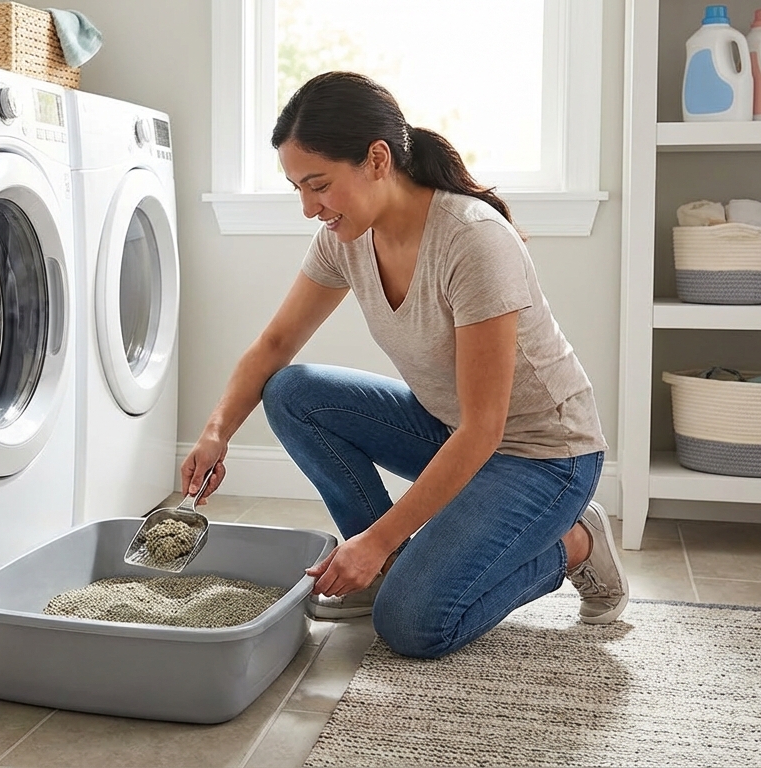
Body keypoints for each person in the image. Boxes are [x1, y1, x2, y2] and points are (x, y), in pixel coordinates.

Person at [179, 72, 628, 660]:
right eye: (297, 189)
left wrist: (376, 536)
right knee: (290, 391)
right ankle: (388, 565)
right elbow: (275, 344)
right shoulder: (346, 237)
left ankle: (574, 541)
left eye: (319, 185)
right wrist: (215, 433)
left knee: (414, 626)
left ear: (376, 159)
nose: (309, 208)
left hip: (543, 456)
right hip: (452, 432)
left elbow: (486, 428)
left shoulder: (473, 242)